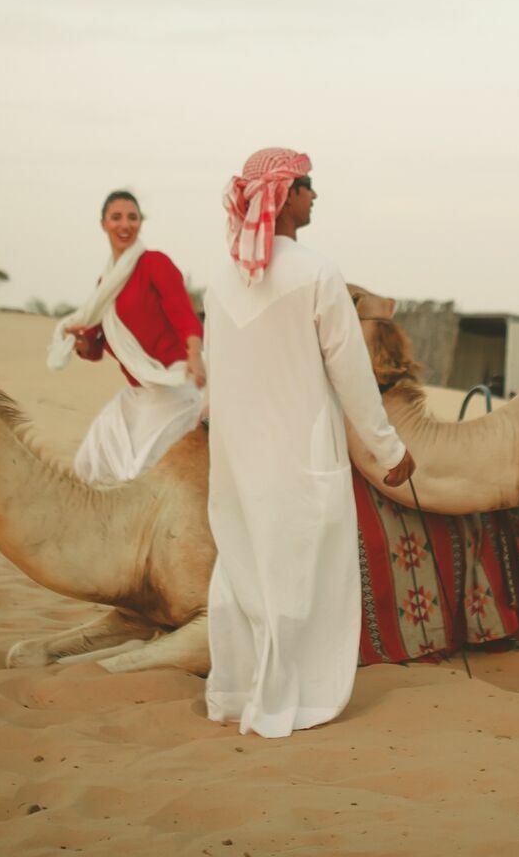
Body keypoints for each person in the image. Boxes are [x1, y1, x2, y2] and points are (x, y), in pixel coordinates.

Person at [201, 148, 416, 738]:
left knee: (244, 570)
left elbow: (212, 371)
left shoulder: (220, 281)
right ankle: (293, 700)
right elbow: (353, 377)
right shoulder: (318, 273)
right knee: (300, 579)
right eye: (308, 186)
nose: (315, 197)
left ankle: (239, 691)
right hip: (300, 456)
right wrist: (389, 451)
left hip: (238, 461)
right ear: (285, 195)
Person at [47, 190, 205, 485]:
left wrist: (195, 353)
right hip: (137, 394)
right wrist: (76, 340)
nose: (125, 225)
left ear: (140, 223)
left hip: (171, 388)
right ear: (103, 224)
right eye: (116, 217)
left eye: (132, 217)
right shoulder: (105, 284)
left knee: (142, 474)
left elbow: (183, 313)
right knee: (90, 462)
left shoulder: (154, 264)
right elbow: (95, 345)